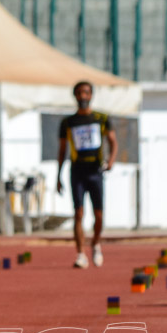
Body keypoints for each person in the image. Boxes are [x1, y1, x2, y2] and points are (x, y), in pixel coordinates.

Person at [56, 81, 117, 269]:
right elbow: (62, 150)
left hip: (95, 171)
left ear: (91, 95)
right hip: (77, 171)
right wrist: (57, 175)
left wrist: (111, 160)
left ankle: (96, 243)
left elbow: (113, 142)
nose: (83, 96)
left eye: (86, 93)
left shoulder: (101, 118)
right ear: (75, 96)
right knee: (78, 213)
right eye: (80, 93)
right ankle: (81, 253)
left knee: (99, 215)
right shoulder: (68, 122)